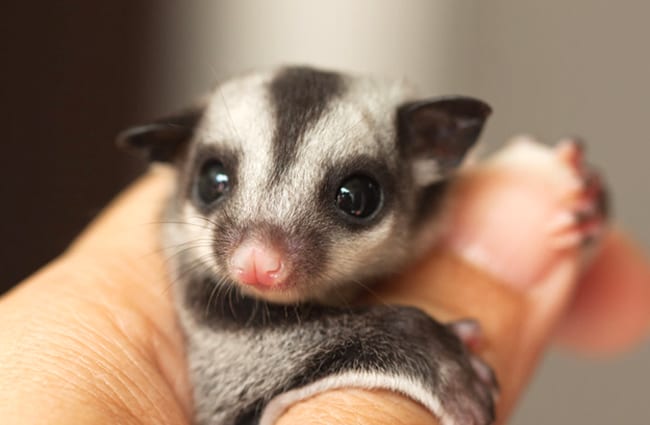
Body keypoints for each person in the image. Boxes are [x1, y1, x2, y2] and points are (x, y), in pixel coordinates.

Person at [1, 144, 648, 424]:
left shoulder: (433, 203)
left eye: (351, 196)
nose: (261, 260)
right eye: (216, 185)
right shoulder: (186, 279)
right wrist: (403, 339)